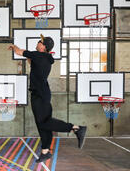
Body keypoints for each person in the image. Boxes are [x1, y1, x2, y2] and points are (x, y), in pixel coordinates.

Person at [8, 35, 87, 163]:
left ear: (43, 47)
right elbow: (31, 62)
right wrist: (29, 56)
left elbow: (18, 52)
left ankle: (76, 128)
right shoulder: (43, 58)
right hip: (42, 94)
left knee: (44, 122)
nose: (38, 43)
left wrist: (13, 46)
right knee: (43, 123)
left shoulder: (38, 56)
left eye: (40, 42)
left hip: (39, 95)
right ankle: (45, 151)